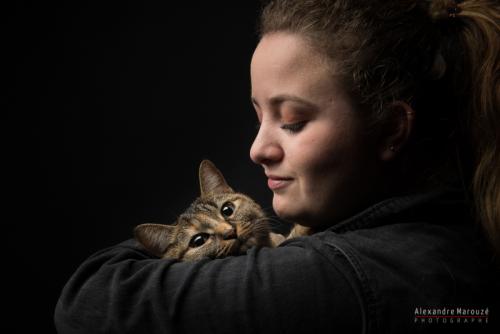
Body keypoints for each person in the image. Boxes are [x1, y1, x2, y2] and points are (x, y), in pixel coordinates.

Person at [54, 0, 500, 333]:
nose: (256, 149)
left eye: (292, 122)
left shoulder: (345, 276)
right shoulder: (444, 240)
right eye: (257, 116)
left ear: (392, 130)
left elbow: (89, 300)